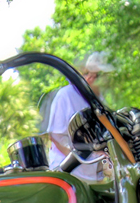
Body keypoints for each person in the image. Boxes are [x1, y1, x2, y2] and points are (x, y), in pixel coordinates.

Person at [44, 52, 113, 180]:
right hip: (69, 176)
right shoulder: (66, 95)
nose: (91, 78)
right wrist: (79, 161)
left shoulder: (99, 101)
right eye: (88, 73)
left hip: (93, 177)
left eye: (97, 76)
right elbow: (56, 136)